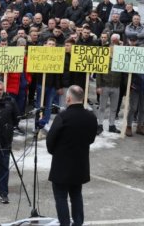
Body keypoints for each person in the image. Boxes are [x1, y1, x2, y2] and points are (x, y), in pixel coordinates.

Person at [47, 85, 97, 226]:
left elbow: (50, 140)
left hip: (61, 165)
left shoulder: (62, 117)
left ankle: (65, 224)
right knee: (76, 195)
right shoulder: (91, 117)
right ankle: (78, 222)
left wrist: (55, 152)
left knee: (61, 197)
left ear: (68, 98)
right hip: (80, 164)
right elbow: (91, 139)